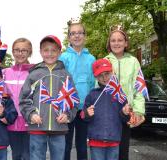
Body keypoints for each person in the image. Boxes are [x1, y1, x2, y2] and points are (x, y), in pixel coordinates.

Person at [19, 35, 77, 160]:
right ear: (40, 52)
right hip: (37, 127)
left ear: (59, 52)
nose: (49, 53)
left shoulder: (65, 75)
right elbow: (24, 99)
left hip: (59, 127)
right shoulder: (34, 74)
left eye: (53, 50)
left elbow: (73, 101)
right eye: (46, 50)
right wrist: (31, 114)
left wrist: (67, 115)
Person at [105, 25, 145, 160]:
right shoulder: (105, 61)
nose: (116, 43)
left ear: (126, 43)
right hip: (108, 113)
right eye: (113, 40)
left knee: (123, 150)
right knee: (107, 150)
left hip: (126, 111)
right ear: (109, 44)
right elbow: (97, 88)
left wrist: (139, 111)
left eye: (120, 40)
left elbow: (138, 87)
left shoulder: (133, 61)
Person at [59, 19, 96, 160]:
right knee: (66, 144)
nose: (77, 36)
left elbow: (93, 84)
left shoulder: (91, 58)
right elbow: (60, 81)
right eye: (73, 33)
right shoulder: (63, 57)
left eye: (80, 33)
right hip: (67, 107)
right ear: (69, 37)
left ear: (85, 36)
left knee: (81, 145)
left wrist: (90, 104)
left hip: (84, 108)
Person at [82, 58, 130, 160]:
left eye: (107, 73)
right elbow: (83, 116)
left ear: (112, 73)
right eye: (100, 75)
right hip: (96, 140)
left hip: (114, 140)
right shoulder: (92, 94)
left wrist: (125, 113)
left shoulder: (119, 94)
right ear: (96, 77)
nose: (104, 78)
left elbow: (125, 119)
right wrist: (87, 113)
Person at [2, 38, 34, 160]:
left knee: (27, 155)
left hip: (29, 121)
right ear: (13, 51)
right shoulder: (5, 72)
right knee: (16, 155)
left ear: (29, 52)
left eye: (24, 50)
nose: (20, 53)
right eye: (17, 50)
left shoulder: (34, 72)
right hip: (11, 121)